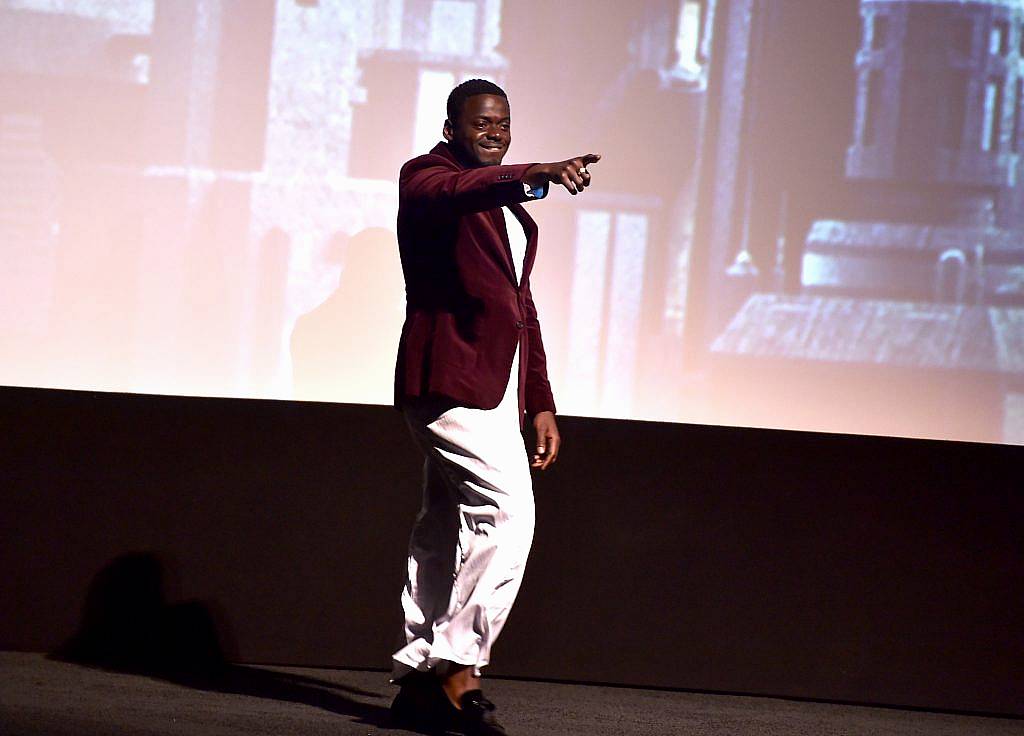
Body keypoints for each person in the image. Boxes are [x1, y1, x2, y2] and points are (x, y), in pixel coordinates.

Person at [389, 78, 600, 736]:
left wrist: (538, 400)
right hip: (446, 376)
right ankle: (459, 663)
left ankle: (421, 678)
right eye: (481, 122)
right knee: (507, 513)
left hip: (495, 385)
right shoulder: (428, 176)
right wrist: (531, 173)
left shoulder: (509, 209)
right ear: (451, 127)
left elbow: (521, 310)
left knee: (443, 527)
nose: (494, 131)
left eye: (504, 123)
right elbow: (452, 191)